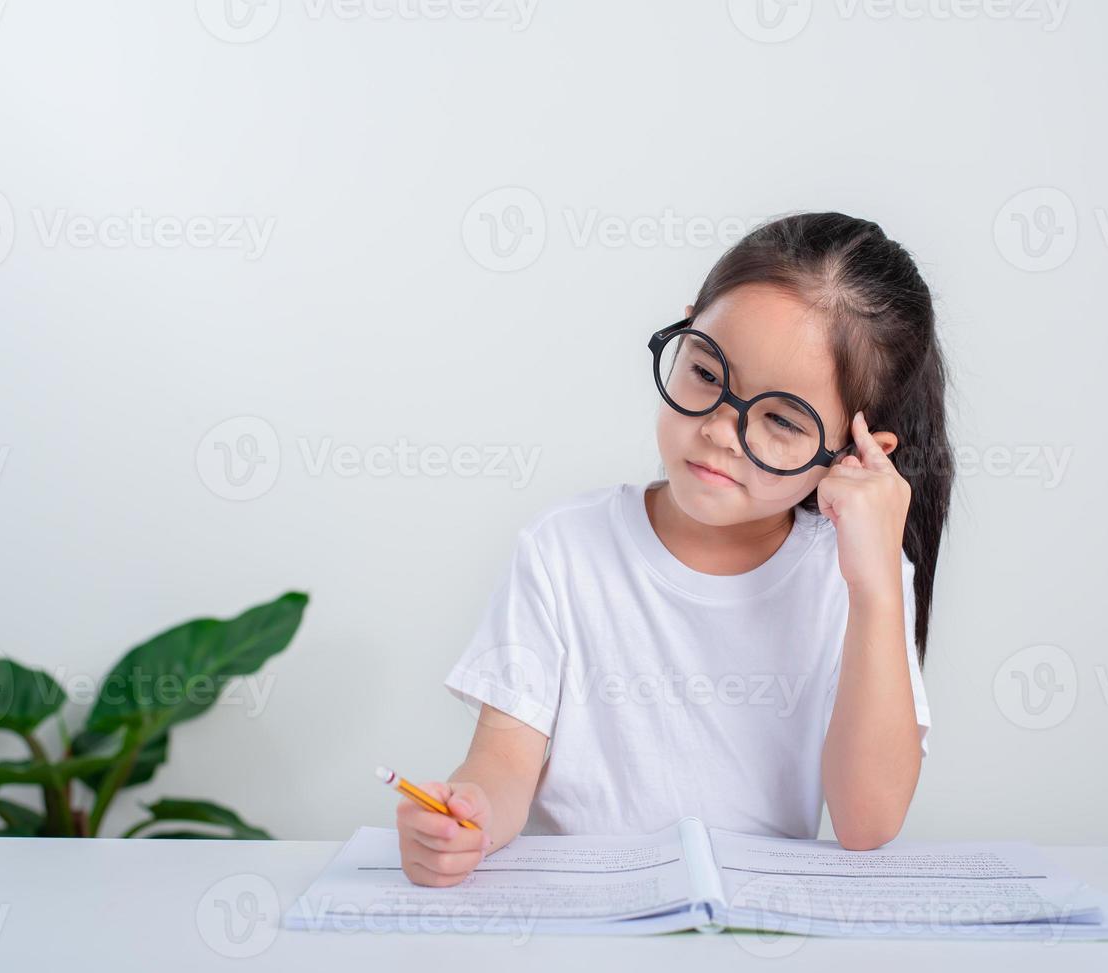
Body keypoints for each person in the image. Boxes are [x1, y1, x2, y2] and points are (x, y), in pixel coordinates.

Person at [398, 212, 954, 887]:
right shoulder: (563, 551)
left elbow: (868, 824)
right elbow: (504, 763)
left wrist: (874, 584)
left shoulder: (855, 581)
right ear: (687, 329)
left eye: (780, 419)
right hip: (583, 921)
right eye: (706, 372)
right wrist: (472, 812)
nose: (722, 429)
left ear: (861, 455)